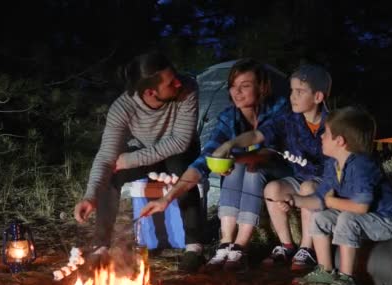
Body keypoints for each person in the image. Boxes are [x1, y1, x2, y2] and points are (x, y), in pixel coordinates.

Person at [140, 58, 291, 272]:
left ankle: (241, 246)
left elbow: (270, 152)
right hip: (250, 168)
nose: (236, 92)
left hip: (284, 168)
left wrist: (233, 153)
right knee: (232, 167)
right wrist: (167, 198)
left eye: (245, 86)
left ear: (262, 87)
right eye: (233, 86)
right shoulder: (229, 117)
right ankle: (226, 243)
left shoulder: (280, 109)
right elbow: (203, 163)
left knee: (251, 169)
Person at [73, 51, 205, 272]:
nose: (178, 82)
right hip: (148, 150)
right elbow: (106, 156)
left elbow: (180, 141)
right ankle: (101, 246)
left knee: (181, 169)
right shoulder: (122, 109)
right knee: (113, 175)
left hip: (181, 152)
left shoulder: (187, 89)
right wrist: (90, 195)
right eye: (171, 82)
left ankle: (194, 246)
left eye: (175, 76)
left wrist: (131, 159)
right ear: (150, 92)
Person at [211, 64, 331, 271]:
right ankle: (287, 245)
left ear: (318, 97)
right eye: (292, 90)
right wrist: (230, 144)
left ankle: (306, 249)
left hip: (325, 181)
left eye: (299, 92)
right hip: (299, 177)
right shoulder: (288, 119)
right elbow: (258, 135)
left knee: (308, 188)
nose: (292, 96)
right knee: (272, 189)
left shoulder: (332, 123)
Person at [284, 106, 392, 285]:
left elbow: (360, 207)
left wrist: (331, 201)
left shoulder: (362, 166)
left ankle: (347, 280)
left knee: (347, 219)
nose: (321, 136)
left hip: (386, 220)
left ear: (340, 141)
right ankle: (326, 270)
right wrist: (293, 200)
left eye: (326, 133)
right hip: (360, 217)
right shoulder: (333, 163)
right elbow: (320, 200)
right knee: (320, 217)